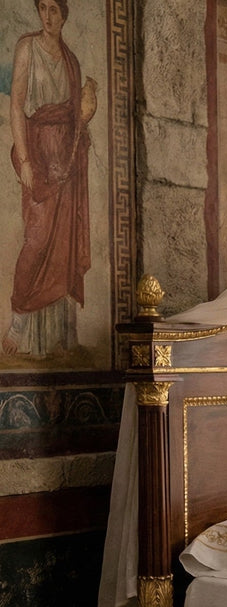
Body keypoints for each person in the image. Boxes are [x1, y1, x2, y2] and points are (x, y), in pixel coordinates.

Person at [6, 0, 95, 357]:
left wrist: (89, 106)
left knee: (65, 241)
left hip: (68, 157)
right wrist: (25, 159)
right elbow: (16, 105)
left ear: (64, 14)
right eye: (42, 7)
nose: (47, 15)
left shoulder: (71, 60)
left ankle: (59, 333)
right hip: (40, 153)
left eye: (53, 9)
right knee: (38, 238)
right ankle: (18, 318)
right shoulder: (27, 47)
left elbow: (78, 114)